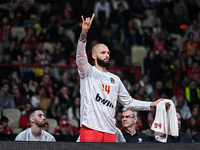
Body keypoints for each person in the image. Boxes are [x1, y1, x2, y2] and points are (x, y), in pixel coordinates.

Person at [76, 13, 164, 142]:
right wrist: (84, 33)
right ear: (94, 56)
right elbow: (80, 57)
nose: (107, 55)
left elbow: (129, 102)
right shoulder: (88, 72)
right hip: (91, 127)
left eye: (108, 53)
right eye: (103, 53)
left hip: (110, 130)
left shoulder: (115, 79)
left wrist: (152, 104)